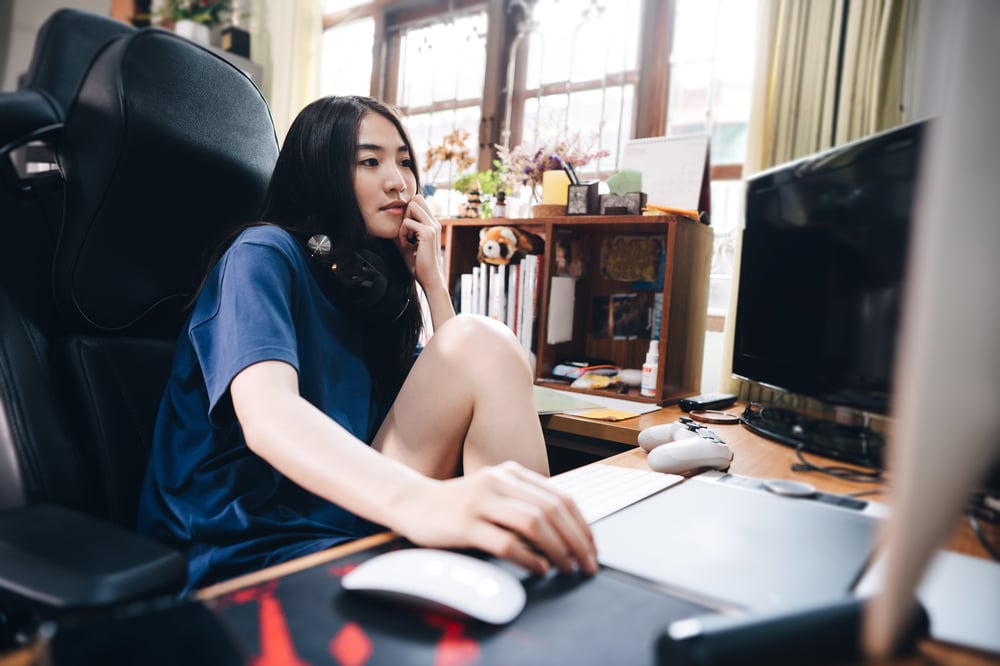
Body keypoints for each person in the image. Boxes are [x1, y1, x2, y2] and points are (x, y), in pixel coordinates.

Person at [137, 95, 597, 593]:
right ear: (321, 173)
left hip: (344, 514)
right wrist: (426, 502)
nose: (398, 180)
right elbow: (268, 416)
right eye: (369, 161)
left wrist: (432, 285)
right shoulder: (261, 255)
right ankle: (527, 563)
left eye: (403, 160)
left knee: (484, 339)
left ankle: (537, 556)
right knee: (478, 339)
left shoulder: (369, 283)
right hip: (247, 544)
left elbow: (465, 379)